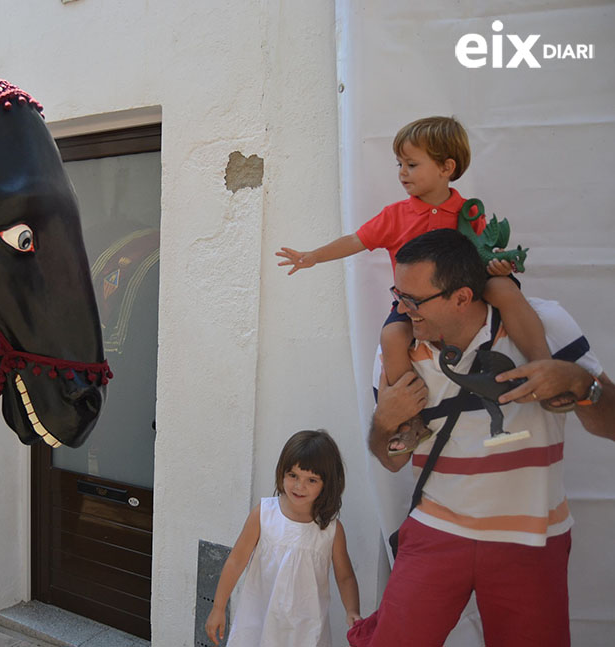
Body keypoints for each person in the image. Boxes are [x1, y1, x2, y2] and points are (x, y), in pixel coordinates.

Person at [354, 229, 615, 647]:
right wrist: (385, 422)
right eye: (397, 294)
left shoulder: (544, 322)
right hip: (435, 529)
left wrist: (582, 385)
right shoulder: (400, 345)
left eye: (413, 301)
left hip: (531, 537)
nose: (401, 310)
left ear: (461, 296)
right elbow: (392, 459)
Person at [275, 116, 552, 455]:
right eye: (399, 164)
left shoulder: (467, 212)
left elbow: (482, 253)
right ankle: (411, 419)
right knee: (391, 335)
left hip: (465, 290)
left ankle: (544, 368)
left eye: (411, 164)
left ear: (446, 167)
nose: (402, 172)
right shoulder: (395, 216)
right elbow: (356, 240)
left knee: (506, 290)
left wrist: (497, 266)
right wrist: (313, 256)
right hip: (415, 302)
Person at [205, 430, 361, 647]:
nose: (299, 486)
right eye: (293, 475)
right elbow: (236, 560)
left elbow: (345, 577)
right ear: (282, 472)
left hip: (306, 630)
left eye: (311, 480)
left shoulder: (331, 530)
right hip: (259, 621)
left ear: (327, 484)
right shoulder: (264, 514)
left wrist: (352, 610)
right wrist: (218, 607)